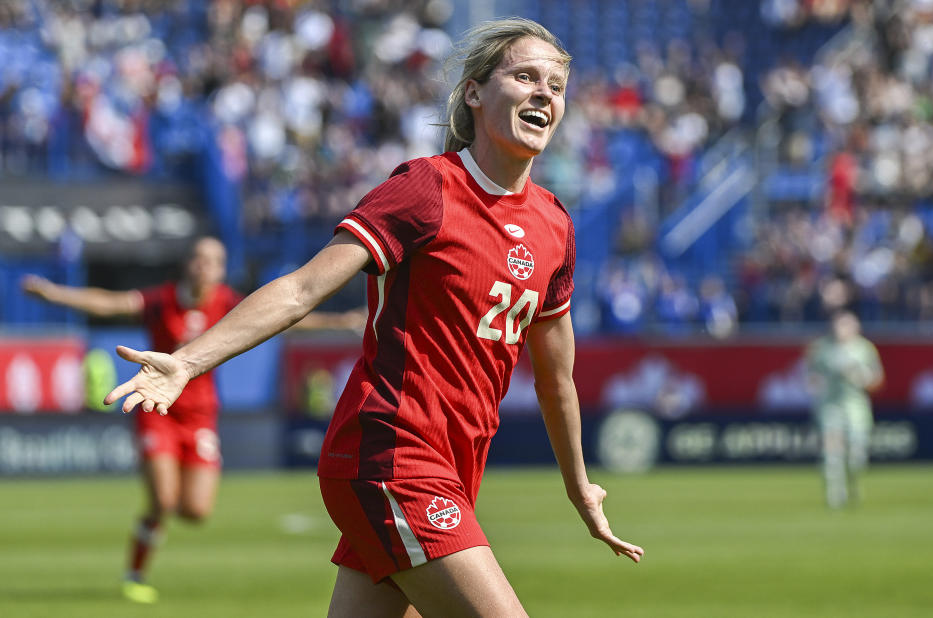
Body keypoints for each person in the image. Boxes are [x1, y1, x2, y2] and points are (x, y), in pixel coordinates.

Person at [104, 18, 643, 617]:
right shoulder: (427, 189)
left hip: (453, 468)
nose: (545, 92)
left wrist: (579, 487)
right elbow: (303, 287)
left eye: (557, 84)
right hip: (392, 454)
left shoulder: (555, 225)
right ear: (474, 91)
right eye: (525, 76)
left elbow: (556, 377)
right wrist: (186, 361)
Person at [22, 236, 363, 605]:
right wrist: (56, 295)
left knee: (197, 510)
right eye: (199, 259)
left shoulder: (226, 303)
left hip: (200, 417)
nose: (205, 266)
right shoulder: (162, 300)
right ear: (189, 264)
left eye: (213, 261)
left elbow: (289, 317)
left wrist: (337, 318)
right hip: (158, 412)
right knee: (163, 500)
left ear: (220, 269)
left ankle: (156, 524)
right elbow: (110, 302)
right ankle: (135, 572)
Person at [805, 310, 884, 509]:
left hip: (856, 407)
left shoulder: (865, 349)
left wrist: (861, 377)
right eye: (839, 325)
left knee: (856, 456)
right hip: (830, 406)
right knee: (832, 454)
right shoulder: (822, 348)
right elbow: (811, 377)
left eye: (847, 325)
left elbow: (877, 380)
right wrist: (816, 387)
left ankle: (853, 483)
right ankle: (835, 495)